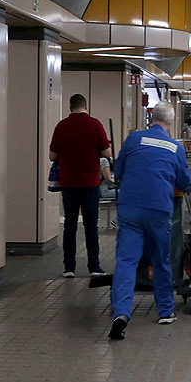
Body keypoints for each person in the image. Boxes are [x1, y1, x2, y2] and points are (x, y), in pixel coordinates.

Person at [108, 100, 191, 340]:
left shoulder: (134, 139)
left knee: (126, 260)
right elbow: (184, 182)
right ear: (170, 122)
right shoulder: (174, 147)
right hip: (158, 209)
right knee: (161, 260)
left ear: (150, 119)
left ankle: (121, 313)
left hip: (130, 209)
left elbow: (120, 172)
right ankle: (165, 311)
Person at [48, 94, 114, 278]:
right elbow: (106, 152)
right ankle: (94, 266)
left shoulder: (62, 126)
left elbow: (52, 156)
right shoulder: (95, 124)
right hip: (90, 183)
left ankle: (69, 268)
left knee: (70, 225)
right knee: (91, 226)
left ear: (70, 107)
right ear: (86, 106)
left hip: (68, 183)